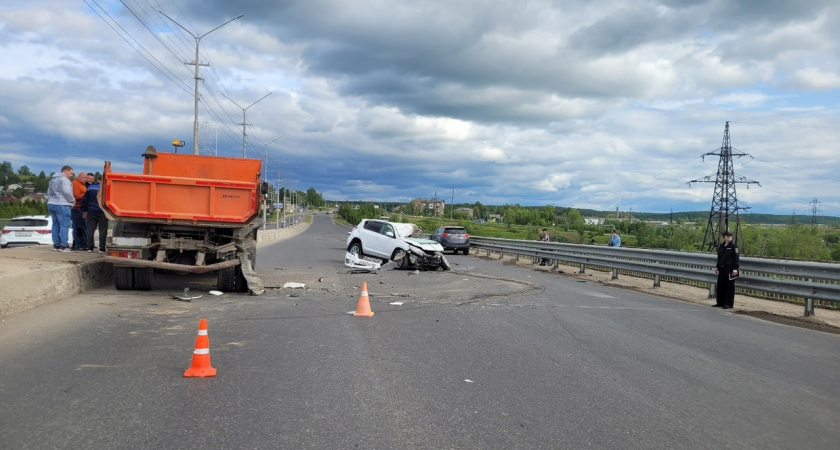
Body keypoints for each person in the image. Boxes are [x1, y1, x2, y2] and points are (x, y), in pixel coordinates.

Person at [46, 166, 76, 252]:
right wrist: (72, 200)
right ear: (66, 171)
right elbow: (67, 191)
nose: (71, 175)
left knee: (55, 225)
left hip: (51, 203)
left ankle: (56, 245)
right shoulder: (65, 180)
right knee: (64, 225)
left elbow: (48, 192)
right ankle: (64, 245)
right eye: (71, 173)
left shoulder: (52, 180)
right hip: (62, 204)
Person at [713, 230, 740, 309]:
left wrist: (736, 268)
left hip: (730, 268)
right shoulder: (721, 246)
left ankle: (729, 303)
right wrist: (717, 267)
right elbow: (719, 258)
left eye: (730, 236)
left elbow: (736, 258)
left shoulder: (734, 246)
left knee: (729, 286)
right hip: (722, 268)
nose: (729, 237)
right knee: (720, 285)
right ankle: (720, 302)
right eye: (727, 235)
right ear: (724, 237)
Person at [81, 177, 108, 252]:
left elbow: (85, 200)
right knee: (102, 230)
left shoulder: (90, 187)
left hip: (91, 211)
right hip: (103, 212)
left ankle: (90, 247)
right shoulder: (107, 188)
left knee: (90, 229)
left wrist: (85, 210)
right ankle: (102, 248)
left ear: (97, 180)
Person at [71, 171, 88, 250]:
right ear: (79, 177)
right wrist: (87, 194)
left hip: (82, 208)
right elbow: (76, 195)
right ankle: (78, 244)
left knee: (83, 227)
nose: (86, 179)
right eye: (85, 178)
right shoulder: (75, 183)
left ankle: (83, 243)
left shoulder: (82, 185)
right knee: (78, 227)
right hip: (77, 208)